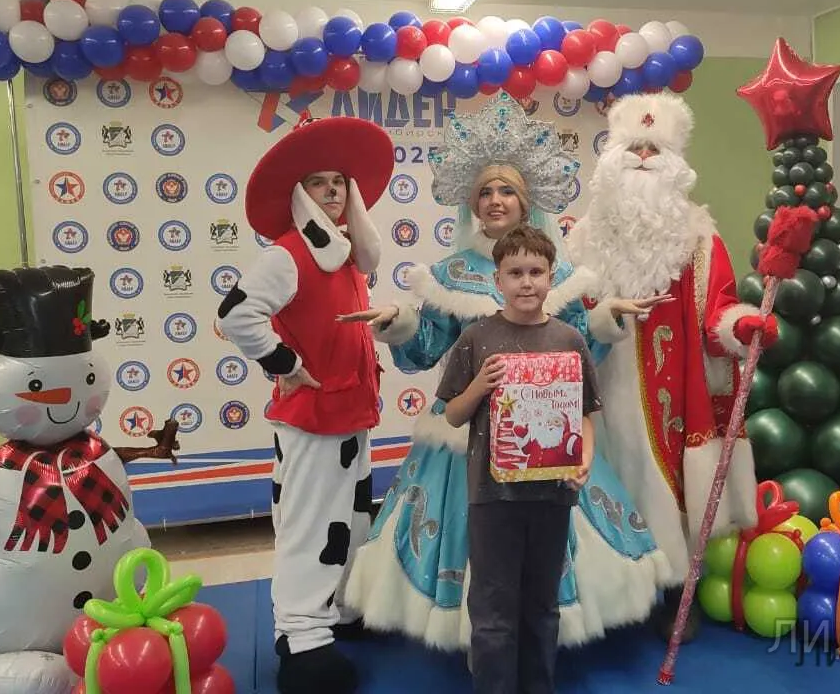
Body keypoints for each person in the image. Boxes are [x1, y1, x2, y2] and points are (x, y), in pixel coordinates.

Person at [341, 93, 676, 654]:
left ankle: (542, 632)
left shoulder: (559, 274)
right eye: (486, 192)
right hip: (469, 433)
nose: (495, 201)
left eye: (507, 191)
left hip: (547, 432)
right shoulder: (450, 272)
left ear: (526, 202)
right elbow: (427, 351)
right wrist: (400, 324)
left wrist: (605, 318)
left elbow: (577, 353)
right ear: (472, 203)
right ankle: (482, 639)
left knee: (544, 541)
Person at [565, 92, 781, 643]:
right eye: (633, 147)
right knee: (600, 476)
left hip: (671, 388)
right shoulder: (583, 237)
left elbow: (720, 305)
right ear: (612, 156)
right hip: (597, 383)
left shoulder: (699, 238)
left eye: (654, 149)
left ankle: (673, 590)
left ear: (675, 163)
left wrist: (742, 325)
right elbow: (565, 309)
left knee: (664, 484)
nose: (642, 157)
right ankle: (608, 588)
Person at [216, 113, 394, 694]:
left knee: (352, 520)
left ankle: (338, 608)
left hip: (351, 415)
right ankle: (300, 635)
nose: (333, 191)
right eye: (320, 183)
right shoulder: (288, 255)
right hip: (315, 418)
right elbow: (236, 313)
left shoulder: (344, 255)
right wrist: (284, 363)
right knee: (311, 526)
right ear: (301, 194)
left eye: (339, 182)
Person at [438, 224, 599, 694]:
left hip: (552, 495)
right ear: (498, 280)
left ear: (551, 277)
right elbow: (452, 415)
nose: (526, 282)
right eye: (515, 273)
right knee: (493, 608)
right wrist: (478, 387)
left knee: (542, 605)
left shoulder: (569, 340)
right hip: (493, 497)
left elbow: (585, 415)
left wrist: (584, 458)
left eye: (536, 272)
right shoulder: (477, 338)